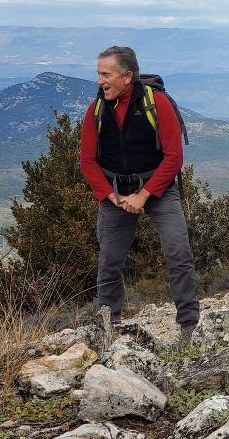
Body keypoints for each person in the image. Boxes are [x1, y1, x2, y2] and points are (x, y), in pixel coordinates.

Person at [79, 46, 199, 342]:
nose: (99, 81)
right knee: (110, 260)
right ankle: (108, 326)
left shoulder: (156, 103)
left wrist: (144, 195)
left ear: (127, 76)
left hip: (157, 188)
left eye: (105, 74)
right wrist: (111, 196)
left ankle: (189, 325)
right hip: (115, 193)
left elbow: (173, 157)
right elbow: (87, 161)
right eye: (98, 74)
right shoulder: (95, 110)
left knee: (178, 252)